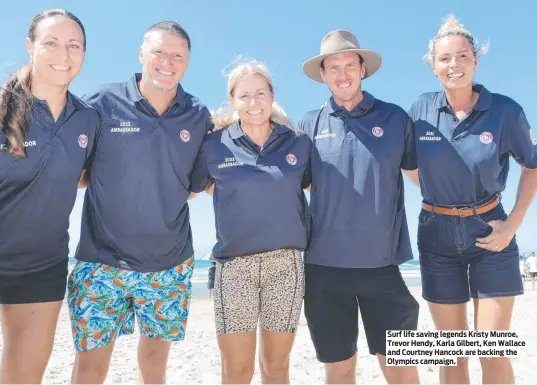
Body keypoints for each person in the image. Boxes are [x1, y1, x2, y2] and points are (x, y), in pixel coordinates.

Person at [66, 21, 213, 384]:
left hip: (169, 265)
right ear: (141, 54)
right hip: (101, 262)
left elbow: (193, 186)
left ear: (188, 62)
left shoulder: (197, 114)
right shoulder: (101, 101)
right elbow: (73, 170)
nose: (167, 61)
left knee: (154, 367)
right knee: (90, 368)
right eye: (159, 52)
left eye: (177, 55)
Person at [0, 9, 98, 384]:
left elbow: (80, 175)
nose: (64, 54)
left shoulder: (87, 119)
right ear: (30, 47)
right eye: (51, 43)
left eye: (74, 45)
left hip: (43, 269)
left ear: (84, 53)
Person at [407, 15, 537, 384]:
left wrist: (513, 224)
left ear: (475, 60)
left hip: (490, 233)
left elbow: (533, 166)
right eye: (445, 59)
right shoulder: (421, 109)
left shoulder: (505, 110)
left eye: (463, 56)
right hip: (435, 236)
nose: (455, 65)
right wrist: (440, 195)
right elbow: (406, 163)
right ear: (433, 66)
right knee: (452, 356)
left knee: (492, 350)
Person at [299, 30, 419, 384]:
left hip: (382, 266)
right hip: (323, 268)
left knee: (399, 366)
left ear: (362, 68)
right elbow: (291, 183)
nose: (342, 74)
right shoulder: (307, 124)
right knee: (338, 367)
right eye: (332, 67)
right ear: (322, 74)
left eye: (349, 64)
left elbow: (424, 179)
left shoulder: (396, 118)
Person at [190, 59, 311, 384]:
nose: (253, 102)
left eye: (260, 93)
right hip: (234, 269)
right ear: (232, 100)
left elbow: (322, 190)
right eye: (244, 95)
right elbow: (188, 190)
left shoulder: (297, 142)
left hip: (285, 267)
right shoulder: (214, 144)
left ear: (272, 95)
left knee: (276, 368)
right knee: (237, 371)